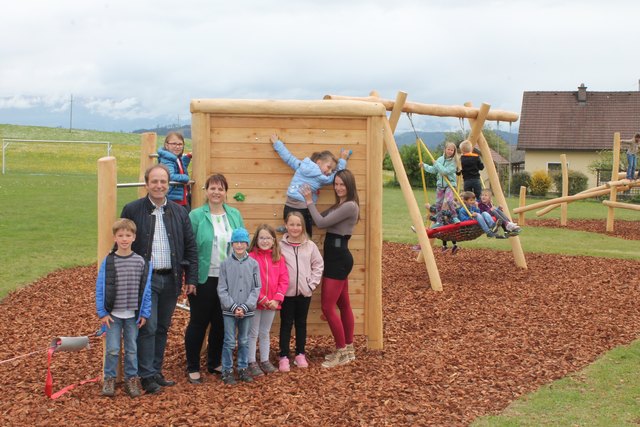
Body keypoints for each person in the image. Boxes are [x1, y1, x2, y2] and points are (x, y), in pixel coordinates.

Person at [120, 164, 198, 394]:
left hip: (171, 278)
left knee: (162, 327)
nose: (159, 185)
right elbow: (122, 243)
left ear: (168, 184)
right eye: (154, 181)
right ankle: (145, 374)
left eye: (163, 181)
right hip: (145, 280)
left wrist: (190, 277)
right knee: (149, 326)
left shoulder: (179, 212)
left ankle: (155, 370)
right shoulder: (133, 210)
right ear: (146, 184)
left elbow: (190, 248)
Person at [185, 173, 245, 384]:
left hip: (228, 278)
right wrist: (190, 278)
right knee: (199, 322)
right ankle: (192, 366)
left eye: (220, 189)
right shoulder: (196, 216)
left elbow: (242, 244)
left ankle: (214, 361)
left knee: (221, 322)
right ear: (206, 191)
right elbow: (189, 249)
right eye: (212, 188)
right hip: (203, 278)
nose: (216, 192)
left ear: (225, 192)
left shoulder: (235, 215)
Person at [300, 169, 359, 368]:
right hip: (336, 257)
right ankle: (349, 350)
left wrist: (309, 200)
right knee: (344, 305)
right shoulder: (340, 205)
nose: (339, 187)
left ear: (350, 186)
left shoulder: (350, 206)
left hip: (338, 259)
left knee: (327, 307)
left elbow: (321, 222)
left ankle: (341, 351)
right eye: (336, 184)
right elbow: (318, 217)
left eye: (343, 184)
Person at [96, 218, 152, 398]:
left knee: (132, 349)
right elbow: (100, 287)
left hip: (132, 316)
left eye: (128, 235)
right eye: (121, 235)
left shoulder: (141, 262)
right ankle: (109, 380)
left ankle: (131, 380)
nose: (124, 239)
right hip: (113, 315)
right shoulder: (109, 261)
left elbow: (146, 290)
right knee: (112, 349)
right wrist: (102, 312)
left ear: (134, 237)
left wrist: (144, 312)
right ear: (115, 238)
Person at [271, 133, 350, 236]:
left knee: (292, 229)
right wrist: (343, 160)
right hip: (303, 208)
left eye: (332, 169)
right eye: (329, 167)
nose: (330, 171)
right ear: (318, 162)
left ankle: (287, 228)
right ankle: (290, 230)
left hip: (288, 205)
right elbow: (335, 177)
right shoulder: (321, 177)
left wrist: (277, 144)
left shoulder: (302, 165)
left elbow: (289, 158)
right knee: (307, 235)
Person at [278, 211, 324, 372]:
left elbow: (318, 265)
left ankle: (300, 354)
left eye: (298, 225)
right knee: (286, 324)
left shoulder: (309, 246)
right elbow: (275, 266)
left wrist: (311, 285)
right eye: (292, 224)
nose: (295, 228)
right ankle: (283, 356)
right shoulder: (280, 246)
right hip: (286, 293)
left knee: (301, 324)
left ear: (303, 227)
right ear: (286, 225)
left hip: (304, 293)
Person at [217, 228, 262, 385]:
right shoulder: (225, 264)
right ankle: (227, 370)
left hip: (247, 311)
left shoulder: (254, 264)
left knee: (244, 340)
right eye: (236, 242)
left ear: (247, 244)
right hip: (229, 311)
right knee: (229, 341)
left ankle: (243, 368)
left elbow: (256, 288)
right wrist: (234, 306)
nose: (239, 245)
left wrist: (245, 306)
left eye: (242, 242)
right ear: (232, 244)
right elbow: (222, 289)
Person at [246, 224, 289, 377]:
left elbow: (284, 280)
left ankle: (264, 360)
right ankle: (251, 361)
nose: (265, 241)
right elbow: (248, 281)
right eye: (261, 238)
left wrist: (277, 299)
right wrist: (262, 298)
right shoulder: (250, 257)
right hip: (256, 302)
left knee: (264, 332)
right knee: (253, 332)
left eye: (268, 238)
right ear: (256, 239)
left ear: (273, 240)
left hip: (272, 303)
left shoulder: (278, 258)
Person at [420, 142, 460, 227]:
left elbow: (444, 171)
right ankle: (439, 221)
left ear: (454, 151)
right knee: (438, 204)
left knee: (449, 200)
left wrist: (436, 164)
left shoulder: (454, 162)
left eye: (451, 150)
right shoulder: (440, 159)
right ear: (445, 150)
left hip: (450, 184)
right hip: (440, 185)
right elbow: (434, 170)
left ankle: (454, 216)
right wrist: (424, 166)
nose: (449, 151)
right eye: (448, 149)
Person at [157, 131, 192, 210]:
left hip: (180, 198)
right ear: (167, 145)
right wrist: (186, 178)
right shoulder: (167, 159)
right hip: (173, 198)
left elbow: (180, 169)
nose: (177, 147)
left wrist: (187, 157)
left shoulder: (175, 158)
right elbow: (170, 175)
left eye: (180, 144)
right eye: (174, 144)